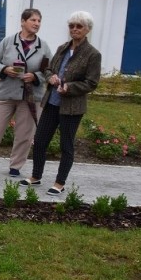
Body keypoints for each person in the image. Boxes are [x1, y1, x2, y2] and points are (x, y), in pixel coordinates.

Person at [21, 11, 101, 196]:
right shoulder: (62, 48)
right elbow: (48, 69)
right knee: (40, 141)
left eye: (79, 26)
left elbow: (92, 82)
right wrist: (51, 77)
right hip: (51, 102)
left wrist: (69, 87)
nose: (74, 29)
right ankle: (36, 176)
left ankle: (59, 182)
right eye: (71, 26)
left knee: (66, 145)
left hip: (72, 107)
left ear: (87, 29)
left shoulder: (92, 54)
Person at [0, 9, 52, 177]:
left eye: (39, 21)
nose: (36, 24)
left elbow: (50, 70)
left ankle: (16, 166)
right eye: (33, 20)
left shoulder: (43, 46)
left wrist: (35, 76)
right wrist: (5, 69)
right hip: (6, 93)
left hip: (30, 96)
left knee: (25, 133)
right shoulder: (8, 42)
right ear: (22, 22)